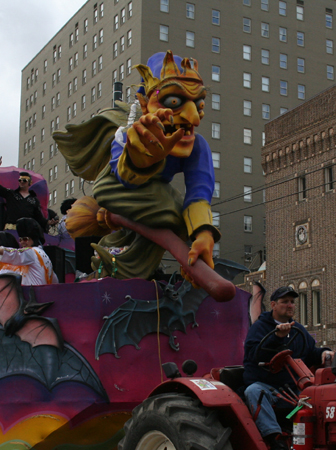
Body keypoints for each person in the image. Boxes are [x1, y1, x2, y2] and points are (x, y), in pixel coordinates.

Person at [53, 51, 219, 281]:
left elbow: (199, 193)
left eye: (198, 103)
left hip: (153, 199)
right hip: (115, 188)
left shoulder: (197, 146)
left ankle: (125, 266)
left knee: (181, 220)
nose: (194, 117)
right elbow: (122, 175)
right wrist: (141, 158)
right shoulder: (129, 132)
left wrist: (203, 235)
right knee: (172, 209)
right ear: (144, 103)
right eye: (174, 101)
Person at [243, 286, 333, 450]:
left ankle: (323, 442)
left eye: (292, 302)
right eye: (285, 302)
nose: (290, 305)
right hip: (267, 387)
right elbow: (254, 354)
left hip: (292, 390)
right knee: (254, 391)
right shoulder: (259, 328)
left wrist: (324, 353)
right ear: (274, 305)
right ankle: (277, 443)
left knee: (319, 395)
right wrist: (277, 337)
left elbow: (311, 352)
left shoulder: (298, 330)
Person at [0, 218, 57, 286]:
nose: (22, 243)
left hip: (32, 297)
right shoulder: (44, 256)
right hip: (42, 296)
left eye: (25, 239)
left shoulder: (31, 252)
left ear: (34, 238)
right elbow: (55, 280)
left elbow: (16, 253)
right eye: (20, 240)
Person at [0, 158, 48, 231]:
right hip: (11, 230)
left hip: (26, 231)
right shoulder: (11, 194)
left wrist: (48, 222)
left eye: (24, 180)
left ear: (30, 183)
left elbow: (39, 217)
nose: (22, 182)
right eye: (20, 180)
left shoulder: (34, 200)